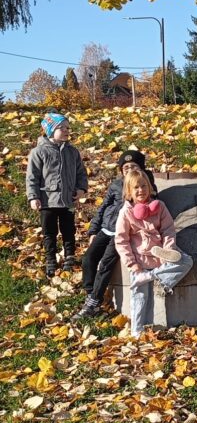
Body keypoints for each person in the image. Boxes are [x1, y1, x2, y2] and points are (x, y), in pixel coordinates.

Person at [76, 149, 157, 319]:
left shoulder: (144, 185)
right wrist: (93, 230)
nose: (129, 170)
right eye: (125, 167)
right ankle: (91, 295)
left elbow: (150, 206)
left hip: (121, 233)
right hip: (106, 228)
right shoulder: (115, 185)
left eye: (133, 166)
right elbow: (103, 207)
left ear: (141, 169)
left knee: (106, 263)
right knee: (88, 259)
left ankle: (94, 302)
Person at [114, 169, 193, 338]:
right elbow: (121, 240)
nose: (141, 190)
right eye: (136, 187)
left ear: (150, 187)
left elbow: (168, 230)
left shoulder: (160, 207)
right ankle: (137, 331)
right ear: (129, 191)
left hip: (160, 257)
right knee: (141, 298)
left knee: (186, 261)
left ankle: (155, 278)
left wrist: (168, 250)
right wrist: (132, 264)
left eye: (144, 186)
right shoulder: (126, 212)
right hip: (140, 260)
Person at [26, 112, 88, 277]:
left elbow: (81, 173)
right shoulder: (39, 152)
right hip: (47, 201)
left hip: (68, 200)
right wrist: (33, 197)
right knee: (49, 232)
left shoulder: (72, 152)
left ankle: (70, 257)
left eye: (68, 127)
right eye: (62, 128)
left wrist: (81, 189)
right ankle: (51, 259)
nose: (67, 130)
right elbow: (32, 177)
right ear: (51, 130)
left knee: (69, 230)